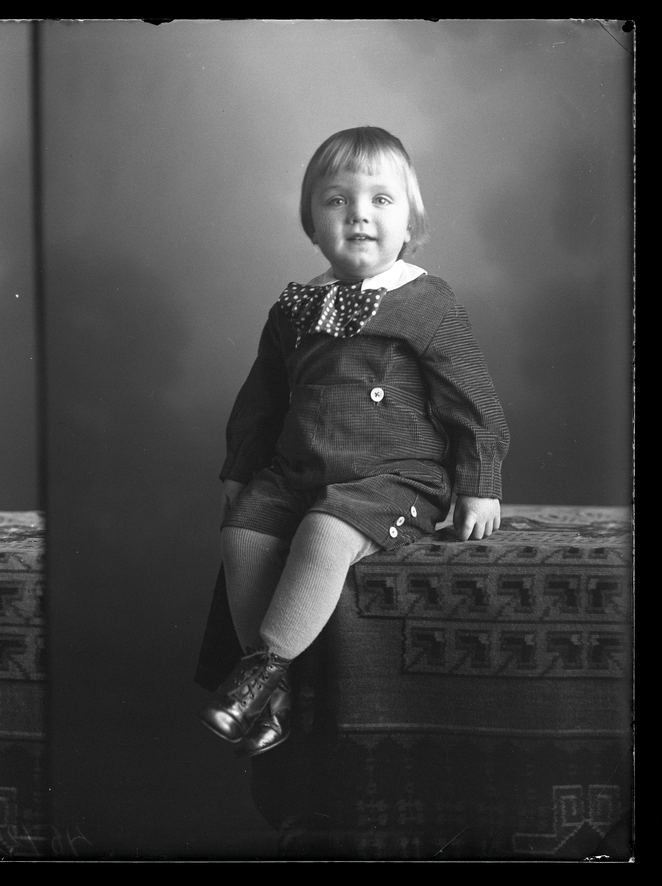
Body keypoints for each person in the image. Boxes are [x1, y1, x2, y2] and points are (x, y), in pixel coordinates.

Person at [197, 126, 508, 758]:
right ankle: (275, 695)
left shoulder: (426, 301)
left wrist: (479, 485)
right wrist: (241, 469)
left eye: (380, 200)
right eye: (337, 200)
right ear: (311, 222)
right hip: (297, 471)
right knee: (244, 531)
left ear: (409, 221)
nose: (359, 214)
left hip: (391, 478)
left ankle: (261, 671)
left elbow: (474, 402)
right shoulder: (295, 305)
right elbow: (262, 398)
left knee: (325, 532)